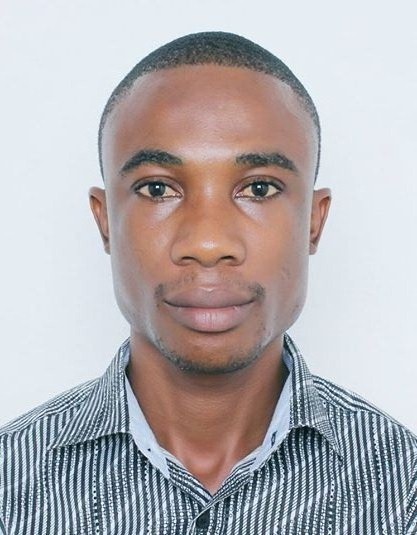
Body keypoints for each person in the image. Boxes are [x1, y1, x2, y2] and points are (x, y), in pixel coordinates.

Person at [0, 31, 416, 535]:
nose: (208, 242)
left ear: (314, 221)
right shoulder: (10, 483)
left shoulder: (403, 488)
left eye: (259, 188)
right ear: (105, 220)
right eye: (158, 189)